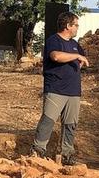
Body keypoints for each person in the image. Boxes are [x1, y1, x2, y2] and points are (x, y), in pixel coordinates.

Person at [31, 11, 89, 165]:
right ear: (68, 26)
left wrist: (79, 59)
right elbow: (56, 56)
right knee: (48, 120)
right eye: (76, 25)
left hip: (73, 91)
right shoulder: (54, 40)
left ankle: (67, 154)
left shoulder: (75, 44)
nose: (77, 28)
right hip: (56, 89)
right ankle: (38, 151)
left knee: (71, 124)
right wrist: (76, 57)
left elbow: (82, 60)